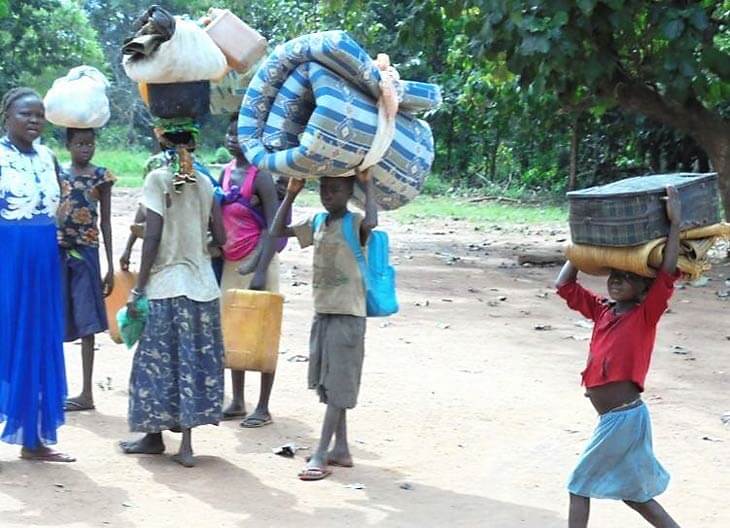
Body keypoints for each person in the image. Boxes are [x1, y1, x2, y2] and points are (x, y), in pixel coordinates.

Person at [555, 186, 683, 527]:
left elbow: (667, 271)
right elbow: (564, 285)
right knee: (636, 496)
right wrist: (583, 244)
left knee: (578, 486)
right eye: (616, 274)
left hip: (624, 419)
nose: (617, 281)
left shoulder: (645, 315)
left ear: (645, 290)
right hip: (619, 420)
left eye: (629, 277)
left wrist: (676, 224)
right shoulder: (602, 311)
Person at [119, 126, 226, 468]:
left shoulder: (158, 180)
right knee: (192, 364)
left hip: (166, 288)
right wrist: (197, 247)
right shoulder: (206, 183)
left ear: (160, 140)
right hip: (202, 289)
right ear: (193, 143)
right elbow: (221, 237)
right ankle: (187, 447)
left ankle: (153, 437)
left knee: (156, 366)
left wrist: (139, 286)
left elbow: (152, 236)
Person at [270, 170, 377, 481]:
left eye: (336, 189)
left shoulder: (355, 221)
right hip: (323, 311)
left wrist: (367, 185)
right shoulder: (316, 220)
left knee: (337, 384)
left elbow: (372, 223)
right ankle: (340, 448)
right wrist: (291, 194)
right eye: (324, 189)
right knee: (328, 383)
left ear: (349, 192)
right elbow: (275, 232)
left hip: (348, 313)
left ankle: (321, 453)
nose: (328, 195)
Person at [0, 87, 74, 462]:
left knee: (37, 340)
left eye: (39, 115)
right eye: (26, 114)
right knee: (5, 338)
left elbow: (57, 210)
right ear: (6, 117)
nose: (34, 120)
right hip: (7, 260)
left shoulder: (48, 157)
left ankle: (34, 439)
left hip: (43, 260)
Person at [219, 115, 289, 427]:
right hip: (233, 263)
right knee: (235, 331)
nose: (233, 139)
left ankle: (263, 406)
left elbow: (274, 227)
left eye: (240, 134)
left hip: (260, 262)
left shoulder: (260, 177)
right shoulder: (223, 173)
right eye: (229, 133)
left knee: (263, 332)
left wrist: (260, 270)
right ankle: (236, 400)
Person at [119, 118, 222, 276]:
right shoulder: (202, 171)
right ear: (193, 142)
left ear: (162, 140)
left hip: (164, 246)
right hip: (193, 243)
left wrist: (128, 248)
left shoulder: (154, 168)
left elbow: (146, 208)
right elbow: (218, 230)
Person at [58, 128, 115, 412]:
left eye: (90, 144)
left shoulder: (101, 176)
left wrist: (110, 266)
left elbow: (105, 222)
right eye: (79, 143)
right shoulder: (58, 173)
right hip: (58, 251)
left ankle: (87, 392)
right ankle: (56, 386)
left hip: (88, 253)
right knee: (56, 318)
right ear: (68, 145)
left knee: (88, 321)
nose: (85, 149)